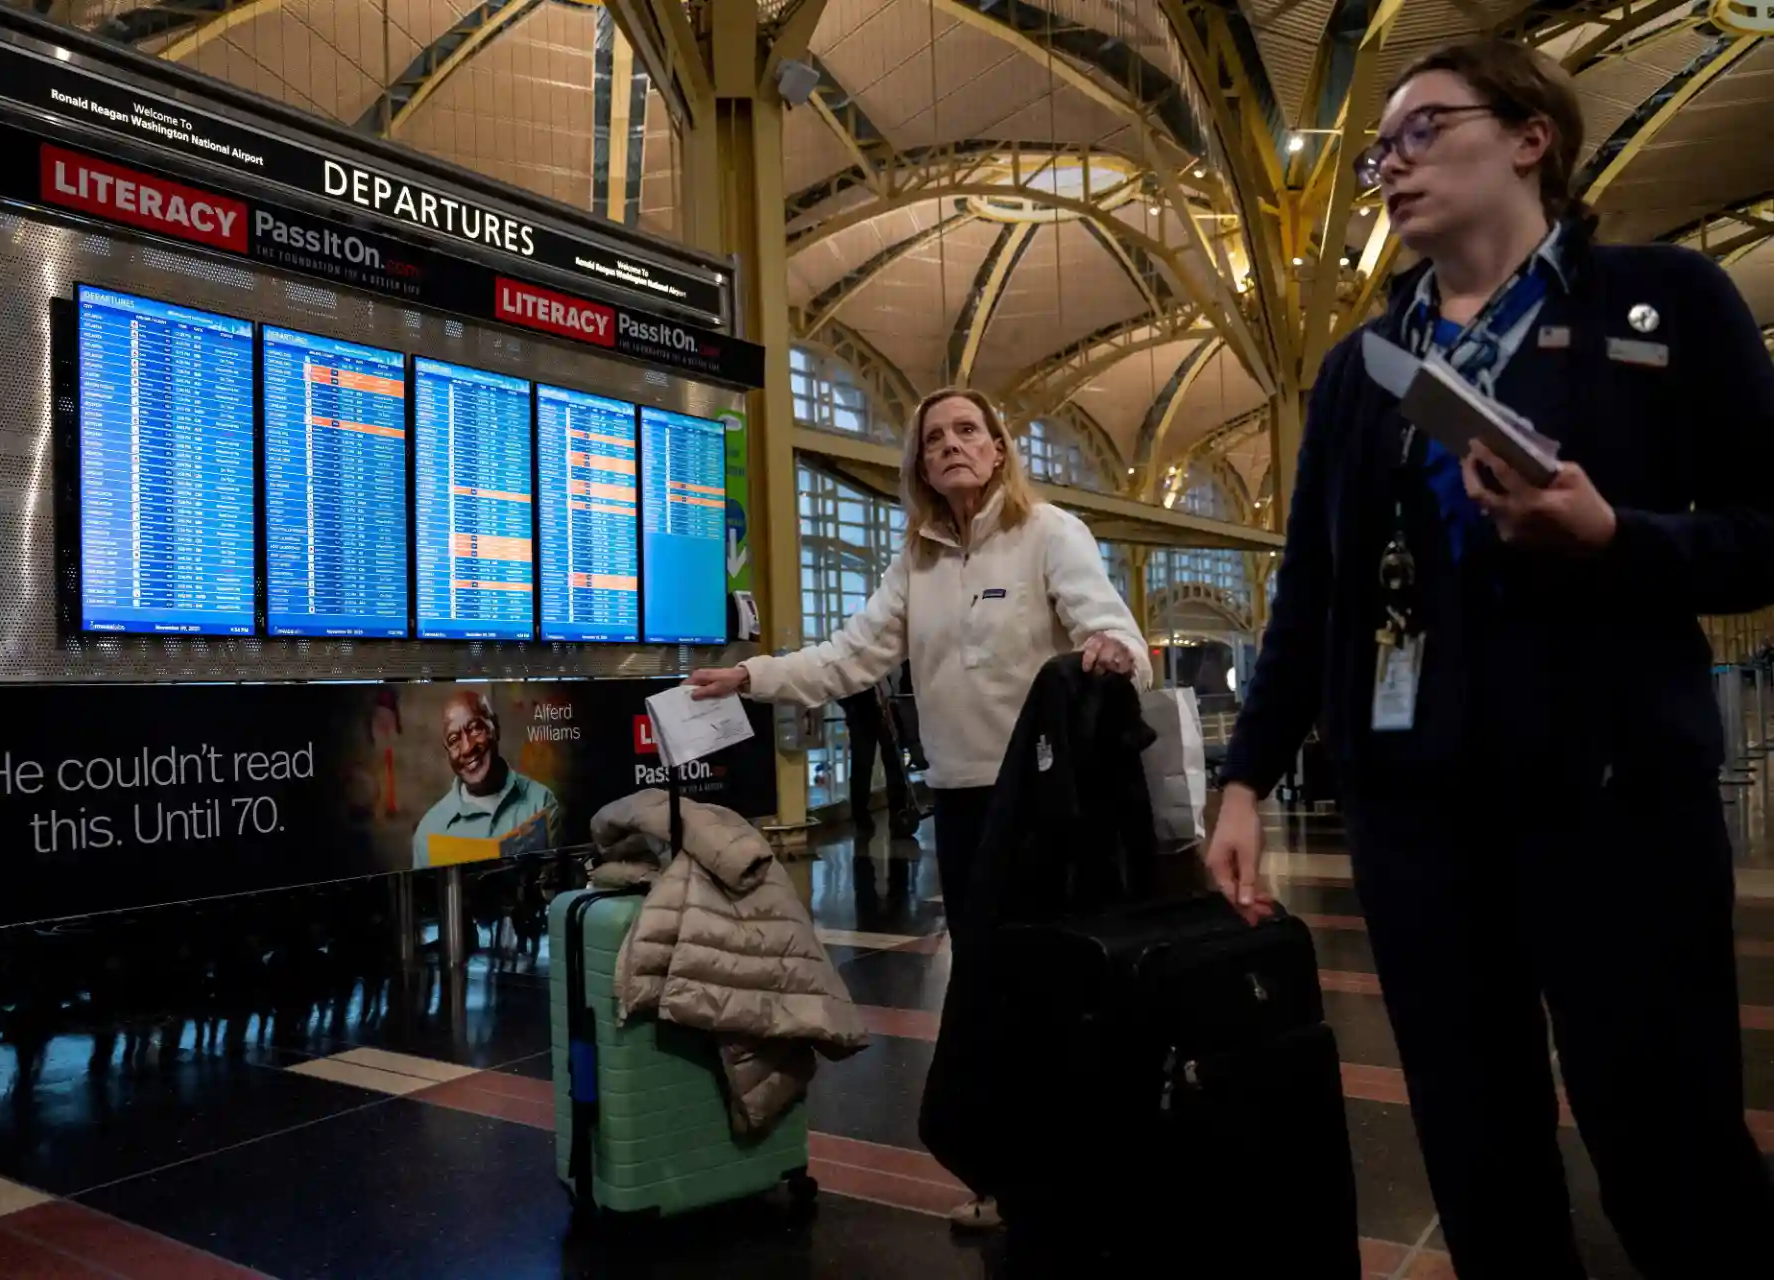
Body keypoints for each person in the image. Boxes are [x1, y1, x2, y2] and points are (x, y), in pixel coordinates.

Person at [1205, 37, 1774, 1277]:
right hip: (1419, 815)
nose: (1392, 167)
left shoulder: (1664, 300)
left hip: (1614, 803)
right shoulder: (1367, 367)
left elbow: (1764, 534)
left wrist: (1616, 535)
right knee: (1477, 1145)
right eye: (1377, 153)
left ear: (1532, 137)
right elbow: (1317, 586)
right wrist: (1243, 777)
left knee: (1666, 1137)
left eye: (1422, 130)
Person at [688, 386, 1152, 1231]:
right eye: (933, 437)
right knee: (987, 1000)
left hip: (1050, 809)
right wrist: (752, 677)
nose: (950, 445)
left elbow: (1115, 635)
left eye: (967, 430)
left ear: (1000, 448)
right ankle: (1009, 1178)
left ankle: (1086, 1174)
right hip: (966, 812)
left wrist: (1112, 652)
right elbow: (846, 659)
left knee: (1056, 991)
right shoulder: (915, 566)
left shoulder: (1050, 535)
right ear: (920, 465)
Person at [411, 688, 562, 869]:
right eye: (454, 740)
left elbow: (559, 890)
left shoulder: (542, 803)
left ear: (495, 728)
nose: (467, 748)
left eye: (475, 729)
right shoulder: (428, 830)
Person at [838, 676, 910, 836]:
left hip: (883, 709)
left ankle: (898, 809)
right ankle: (861, 815)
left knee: (892, 760)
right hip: (862, 712)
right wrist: (851, 708)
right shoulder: (853, 667)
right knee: (863, 764)